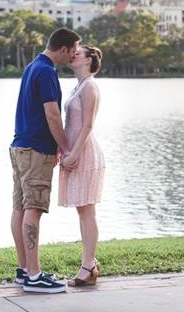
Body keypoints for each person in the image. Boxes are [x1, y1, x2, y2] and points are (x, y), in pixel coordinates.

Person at [10, 27, 80, 294]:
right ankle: (34, 275)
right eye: (72, 51)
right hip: (36, 150)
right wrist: (65, 148)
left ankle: (24, 270)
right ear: (62, 49)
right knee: (34, 209)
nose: (72, 56)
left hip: (19, 147)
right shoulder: (47, 72)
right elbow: (52, 115)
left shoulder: (32, 67)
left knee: (20, 207)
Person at [58, 45, 105, 286]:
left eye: (78, 52)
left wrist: (74, 153)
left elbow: (87, 126)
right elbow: (70, 123)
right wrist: (63, 149)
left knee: (87, 210)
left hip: (85, 153)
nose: (73, 53)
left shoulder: (90, 87)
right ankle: (90, 263)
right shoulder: (77, 86)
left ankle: (88, 266)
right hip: (74, 152)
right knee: (82, 210)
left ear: (88, 60)